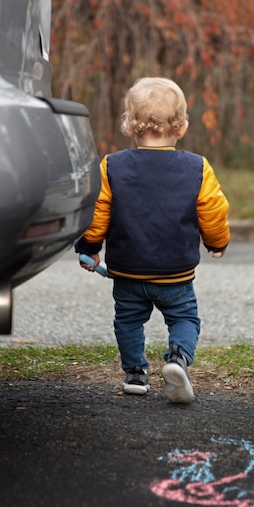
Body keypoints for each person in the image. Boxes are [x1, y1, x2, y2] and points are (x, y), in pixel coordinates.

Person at [75, 77, 230, 403]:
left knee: (128, 320)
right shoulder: (197, 167)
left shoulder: (111, 165)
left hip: (129, 271)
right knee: (184, 318)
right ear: (181, 127)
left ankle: (135, 374)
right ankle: (177, 360)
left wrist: (89, 248)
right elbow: (212, 211)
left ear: (130, 126)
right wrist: (217, 244)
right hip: (175, 271)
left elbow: (98, 212)